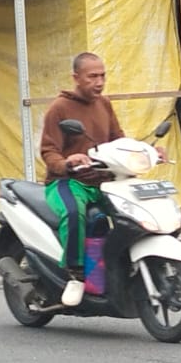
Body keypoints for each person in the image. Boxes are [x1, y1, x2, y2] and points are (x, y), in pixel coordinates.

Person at [39, 51, 128, 308]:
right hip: (67, 182)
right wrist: (67, 162)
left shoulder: (104, 104)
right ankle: (75, 273)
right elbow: (49, 151)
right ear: (76, 77)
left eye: (103, 76)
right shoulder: (59, 108)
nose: (99, 82)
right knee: (74, 213)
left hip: (103, 182)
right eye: (92, 77)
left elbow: (118, 140)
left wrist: (146, 151)